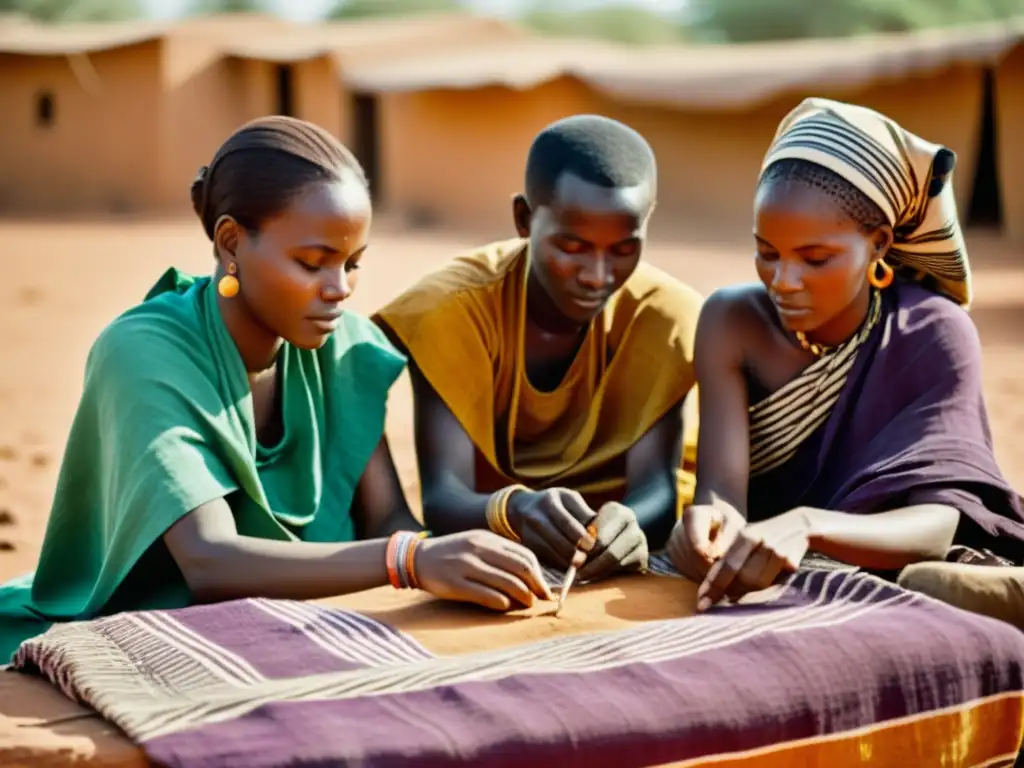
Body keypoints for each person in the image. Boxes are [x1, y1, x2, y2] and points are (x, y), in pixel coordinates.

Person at [0, 117, 554, 662]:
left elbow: (387, 519)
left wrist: (475, 546)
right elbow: (209, 560)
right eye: (313, 263)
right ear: (231, 241)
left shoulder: (346, 349)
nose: (339, 289)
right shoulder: (143, 352)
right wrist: (409, 560)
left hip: (315, 620)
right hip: (158, 630)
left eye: (353, 263)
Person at [666, 98, 1024, 615]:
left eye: (815, 259)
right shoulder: (732, 322)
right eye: (767, 252)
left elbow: (939, 521)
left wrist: (810, 525)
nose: (783, 282)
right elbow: (723, 493)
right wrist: (709, 522)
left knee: (931, 583)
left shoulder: (933, 332)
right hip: (780, 567)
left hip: (892, 552)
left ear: (877, 244)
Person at [374, 115, 703, 583]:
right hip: (499, 530)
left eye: (624, 249)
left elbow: (657, 492)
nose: (597, 274)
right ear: (524, 220)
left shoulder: (665, 317)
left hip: (607, 547)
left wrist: (627, 527)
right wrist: (515, 509)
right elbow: (444, 499)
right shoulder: (450, 312)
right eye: (572, 246)